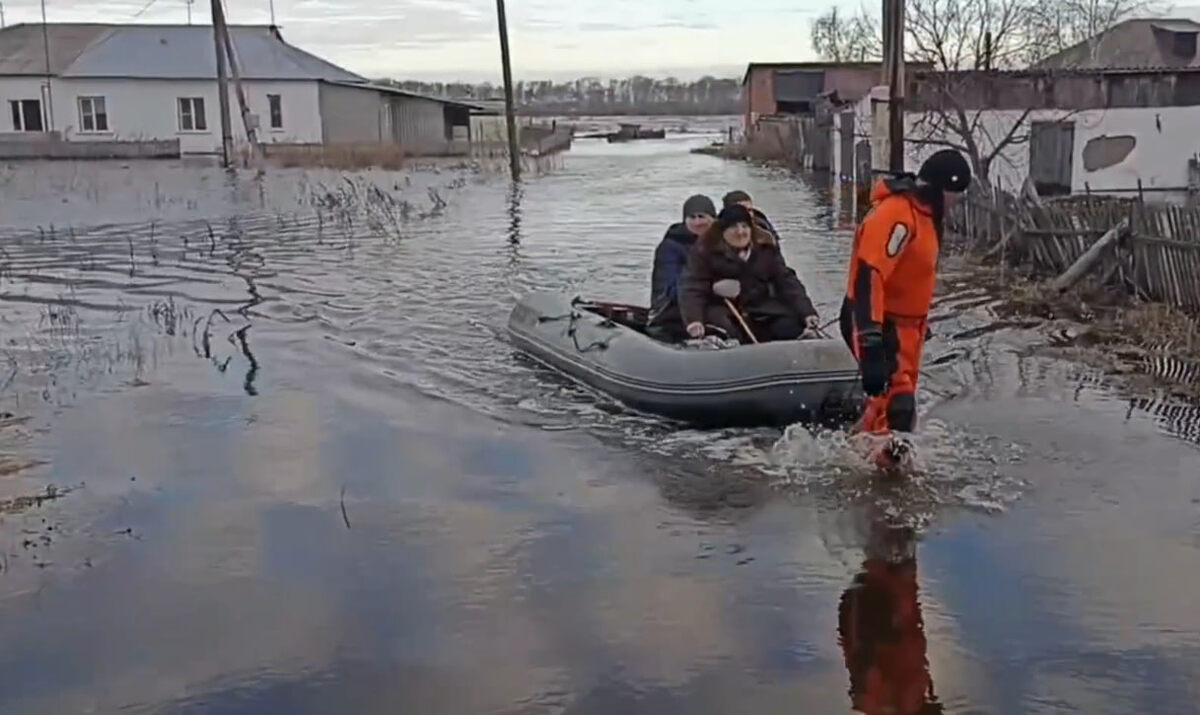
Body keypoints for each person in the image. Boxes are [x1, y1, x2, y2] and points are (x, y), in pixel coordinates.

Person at [839, 149, 971, 440]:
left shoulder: (925, 217)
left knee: (891, 405)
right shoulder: (897, 215)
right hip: (878, 321)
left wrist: (920, 320)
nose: (955, 205)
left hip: (906, 327)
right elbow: (869, 274)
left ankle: (857, 453)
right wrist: (870, 339)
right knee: (898, 407)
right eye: (954, 196)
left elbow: (913, 274)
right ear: (939, 189)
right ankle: (887, 476)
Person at [679, 203, 820, 343]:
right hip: (724, 309)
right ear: (722, 231)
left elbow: (787, 281)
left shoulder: (765, 249)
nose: (740, 232)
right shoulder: (705, 252)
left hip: (760, 308)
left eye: (744, 226)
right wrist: (694, 320)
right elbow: (692, 287)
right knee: (726, 329)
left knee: (788, 325)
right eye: (733, 227)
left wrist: (807, 312)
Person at [647, 194, 716, 341]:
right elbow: (673, 287)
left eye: (702, 217)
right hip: (671, 308)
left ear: (713, 219)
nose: (697, 222)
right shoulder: (671, 247)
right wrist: (712, 287)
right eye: (692, 217)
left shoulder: (719, 243)